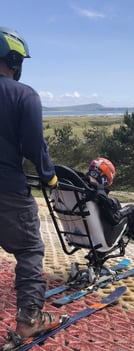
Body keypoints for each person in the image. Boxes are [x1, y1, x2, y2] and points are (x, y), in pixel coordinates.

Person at [0, 27, 64, 344]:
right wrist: (49, 176)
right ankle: (29, 319)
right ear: (14, 59)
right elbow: (33, 147)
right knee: (28, 251)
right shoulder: (24, 95)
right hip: (8, 190)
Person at [86, 157, 134, 244]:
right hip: (104, 234)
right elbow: (113, 219)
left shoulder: (82, 188)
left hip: (81, 232)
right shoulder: (98, 192)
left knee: (115, 201)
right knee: (131, 208)